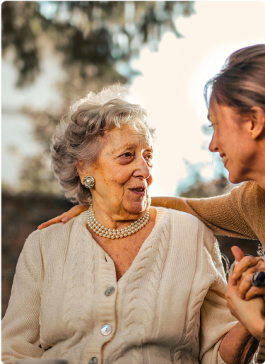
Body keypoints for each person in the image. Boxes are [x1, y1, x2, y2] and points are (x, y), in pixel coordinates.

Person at [0, 85, 260, 364]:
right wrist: (98, 205)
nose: (145, 171)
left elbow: (218, 356)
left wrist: (249, 322)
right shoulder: (44, 245)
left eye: (148, 156)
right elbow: (12, 352)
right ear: (84, 168)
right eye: (127, 155)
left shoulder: (191, 235)